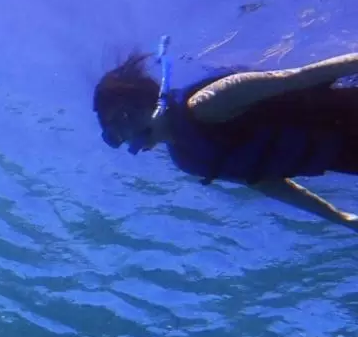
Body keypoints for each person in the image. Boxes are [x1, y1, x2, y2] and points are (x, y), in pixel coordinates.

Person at [92, 40, 358, 231]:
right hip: (344, 157)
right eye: (114, 135)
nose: (126, 135)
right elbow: (265, 182)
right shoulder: (188, 161)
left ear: (148, 99)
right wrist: (341, 218)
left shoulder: (210, 102)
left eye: (124, 117)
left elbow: (305, 76)